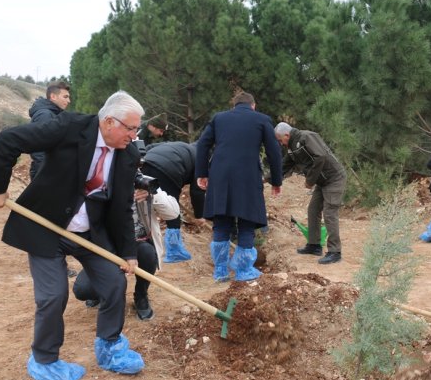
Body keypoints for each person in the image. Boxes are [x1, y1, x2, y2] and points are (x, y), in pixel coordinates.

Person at [0, 91, 147, 380]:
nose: (134, 135)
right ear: (109, 122)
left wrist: (128, 252)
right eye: (130, 128)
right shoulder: (70, 127)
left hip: (90, 232)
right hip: (47, 226)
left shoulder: (128, 155)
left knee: (114, 283)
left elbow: (123, 206)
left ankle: (110, 347)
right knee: (53, 295)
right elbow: (10, 139)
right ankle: (44, 359)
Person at [195, 92, 282, 282]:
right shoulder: (261, 119)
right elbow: (274, 151)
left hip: (219, 177)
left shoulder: (219, 118)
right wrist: (277, 181)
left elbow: (202, 144)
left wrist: (202, 173)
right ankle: (243, 271)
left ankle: (220, 272)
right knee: (246, 222)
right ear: (253, 105)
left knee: (221, 222)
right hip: (248, 177)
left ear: (234, 106)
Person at [74, 181, 180, 321]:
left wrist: (152, 194)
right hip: (106, 248)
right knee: (83, 290)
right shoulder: (98, 181)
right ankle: (103, 292)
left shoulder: (142, 181)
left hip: (138, 244)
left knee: (148, 253)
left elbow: (173, 213)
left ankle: (141, 295)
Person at [274, 122, 347, 265]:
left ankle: (335, 252)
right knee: (313, 210)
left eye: (280, 140)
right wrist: (266, 179)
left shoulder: (306, 137)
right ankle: (314, 245)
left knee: (329, 212)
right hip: (322, 181)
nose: (280, 143)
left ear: (287, 135)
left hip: (334, 178)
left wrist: (310, 181)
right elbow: (284, 166)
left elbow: (320, 157)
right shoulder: (292, 148)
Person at [141, 141, 206, 263]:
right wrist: (199, 215)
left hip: (146, 163)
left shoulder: (180, 145)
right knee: (172, 209)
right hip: (169, 170)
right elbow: (197, 191)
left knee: (144, 201)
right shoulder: (203, 159)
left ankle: (143, 241)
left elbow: (150, 146)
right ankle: (174, 251)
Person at [28, 80, 71, 180]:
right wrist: (46, 175)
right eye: (65, 97)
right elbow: (38, 149)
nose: (69, 101)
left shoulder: (53, 114)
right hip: (45, 174)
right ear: (53, 97)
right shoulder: (45, 115)